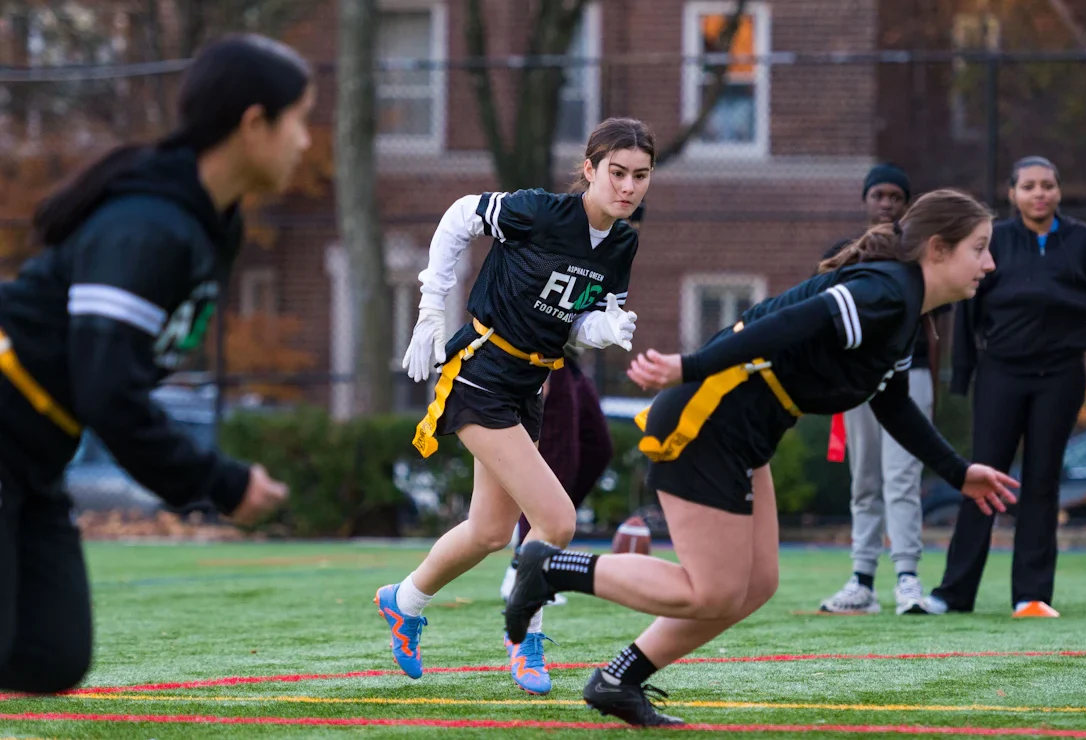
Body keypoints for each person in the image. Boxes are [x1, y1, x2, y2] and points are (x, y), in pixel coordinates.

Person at [502, 189, 1019, 727]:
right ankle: (550, 567)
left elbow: (892, 403)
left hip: (746, 429)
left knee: (755, 585)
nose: (990, 262)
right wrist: (691, 366)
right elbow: (789, 323)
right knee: (713, 589)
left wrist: (961, 473)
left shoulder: (903, 308)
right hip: (711, 420)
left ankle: (617, 681)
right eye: (980, 247)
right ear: (938, 249)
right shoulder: (886, 292)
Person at [0, 33, 307, 694]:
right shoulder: (148, 225)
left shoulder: (206, 225)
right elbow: (109, 390)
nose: (305, 142)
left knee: (51, 653)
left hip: (35, 453)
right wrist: (220, 483)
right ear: (255, 125)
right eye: (299, 120)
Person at [373, 117, 654, 697]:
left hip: (528, 386)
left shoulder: (623, 242)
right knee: (557, 520)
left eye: (640, 176)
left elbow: (578, 316)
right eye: (617, 172)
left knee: (489, 531)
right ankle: (523, 634)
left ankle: (403, 601)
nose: (627, 186)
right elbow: (459, 216)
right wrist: (430, 310)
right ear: (589, 170)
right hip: (479, 373)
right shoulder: (543, 211)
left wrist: (603, 328)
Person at [926, 156, 1086, 619]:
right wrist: (963, 374)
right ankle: (954, 593)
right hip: (1002, 372)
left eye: (1047, 185)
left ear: (1059, 192)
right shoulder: (994, 240)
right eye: (1028, 186)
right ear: (1012, 193)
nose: (1038, 193)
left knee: (1042, 482)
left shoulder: (1082, 241)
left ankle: (1032, 596)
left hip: (1061, 376)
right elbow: (968, 303)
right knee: (982, 478)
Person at [497, 205, 648, 607]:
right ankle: (523, 566)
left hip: (569, 356)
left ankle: (542, 539)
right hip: (540, 357)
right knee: (557, 458)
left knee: (597, 448)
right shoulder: (562, 232)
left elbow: (588, 318)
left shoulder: (616, 248)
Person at [816, 163, 949, 615]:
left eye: (896, 195)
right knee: (865, 479)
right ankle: (862, 581)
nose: (887, 203)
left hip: (909, 378)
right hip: (860, 380)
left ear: (906, 204)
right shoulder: (845, 253)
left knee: (902, 478)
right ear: (866, 200)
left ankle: (908, 578)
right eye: (879, 195)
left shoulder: (919, 256)